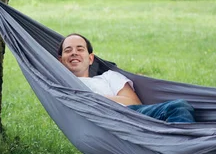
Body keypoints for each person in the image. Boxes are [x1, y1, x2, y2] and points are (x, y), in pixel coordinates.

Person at [58, 34, 196, 123]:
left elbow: (133, 102)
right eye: (68, 50)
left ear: (91, 59)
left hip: (131, 118)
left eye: (80, 49)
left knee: (179, 107)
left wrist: (93, 98)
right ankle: (182, 149)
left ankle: (181, 148)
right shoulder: (61, 86)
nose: (74, 53)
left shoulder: (109, 76)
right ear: (60, 61)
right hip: (103, 125)